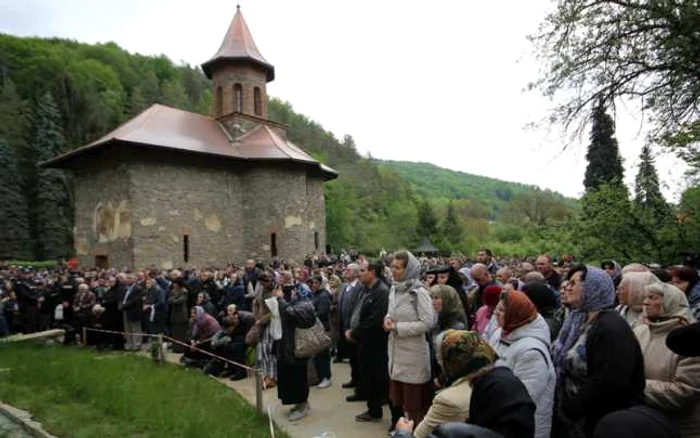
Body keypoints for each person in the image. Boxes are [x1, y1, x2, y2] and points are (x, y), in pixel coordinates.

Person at [552, 265, 645, 438]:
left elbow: (608, 383)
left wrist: (570, 410)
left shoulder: (611, 328)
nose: (567, 287)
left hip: (599, 422)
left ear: (593, 288)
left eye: (573, 283)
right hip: (578, 420)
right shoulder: (581, 319)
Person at [400, 330, 535, 438]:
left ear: (453, 361)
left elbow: (420, 435)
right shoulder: (500, 380)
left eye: (441, 357)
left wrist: (403, 432)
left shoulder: (449, 400)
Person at [634, 283, 700, 438]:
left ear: (671, 302)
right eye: (645, 297)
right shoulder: (639, 331)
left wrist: (635, 386)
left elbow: (686, 392)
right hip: (644, 422)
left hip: (679, 429)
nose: (645, 302)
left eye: (652, 298)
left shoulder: (689, 340)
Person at [490, 291, 555, 438]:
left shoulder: (532, 352)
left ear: (515, 314)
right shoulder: (501, 332)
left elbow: (524, 397)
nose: (495, 313)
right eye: (496, 308)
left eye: (501, 310)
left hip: (526, 427)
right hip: (501, 419)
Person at [385, 251, 435, 429]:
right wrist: (388, 319)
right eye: (392, 267)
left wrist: (398, 328)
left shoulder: (418, 292)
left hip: (413, 355)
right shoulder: (394, 288)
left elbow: (428, 322)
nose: (393, 271)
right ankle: (405, 430)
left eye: (398, 268)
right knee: (401, 402)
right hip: (396, 352)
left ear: (409, 269)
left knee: (415, 407)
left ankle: (418, 432)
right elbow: (391, 312)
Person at [351, 260, 391, 423]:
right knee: (369, 378)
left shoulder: (381, 292)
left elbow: (375, 321)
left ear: (372, 272)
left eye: (362, 270)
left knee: (379, 378)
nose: (359, 273)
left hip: (376, 344)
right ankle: (373, 410)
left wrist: (355, 333)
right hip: (366, 343)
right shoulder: (367, 290)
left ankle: (387, 413)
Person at [273, 284, 316, 422]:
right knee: (290, 379)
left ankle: (303, 405)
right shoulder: (293, 303)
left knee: (298, 378)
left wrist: (280, 300)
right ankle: (299, 404)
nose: (290, 293)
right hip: (288, 347)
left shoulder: (306, 304)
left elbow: (291, 313)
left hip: (298, 348)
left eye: (292, 291)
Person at [310, 275, 332, 389]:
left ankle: (326, 377)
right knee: (318, 354)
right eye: (312, 283)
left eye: (315, 283)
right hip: (316, 328)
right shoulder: (315, 294)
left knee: (323, 354)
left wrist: (310, 315)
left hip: (322, 328)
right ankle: (320, 376)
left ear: (321, 284)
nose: (313, 285)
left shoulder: (323, 296)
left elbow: (322, 312)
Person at [119, 273, 145, 351]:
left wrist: (124, 306)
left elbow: (134, 301)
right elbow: (122, 298)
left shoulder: (138, 289)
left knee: (136, 328)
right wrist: (121, 304)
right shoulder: (125, 288)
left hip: (134, 311)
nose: (127, 280)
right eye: (127, 278)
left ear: (134, 279)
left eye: (129, 278)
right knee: (127, 329)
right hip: (126, 310)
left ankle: (137, 345)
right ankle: (129, 344)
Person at [168, 272, 190, 353]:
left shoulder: (184, 291)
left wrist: (174, 299)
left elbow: (180, 301)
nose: (174, 285)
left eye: (175, 283)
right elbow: (169, 300)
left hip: (181, 314)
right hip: (174, 313)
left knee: (180, 333)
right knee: (174, 332)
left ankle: (180, 348)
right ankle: (175, 347)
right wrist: (173, 299)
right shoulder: (173, 291)